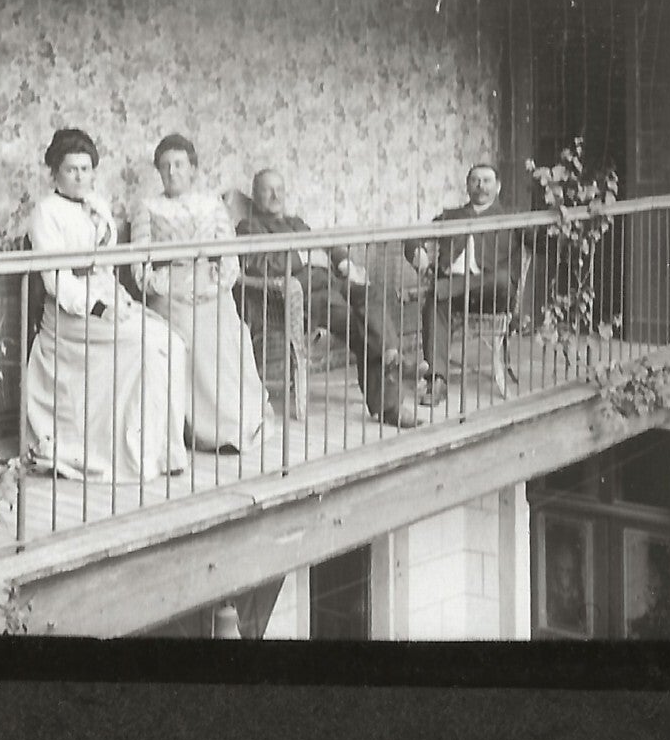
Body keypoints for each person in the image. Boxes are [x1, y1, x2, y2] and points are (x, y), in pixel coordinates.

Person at [24, 128, 189, 483]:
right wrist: (99, 309)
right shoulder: (46, 212)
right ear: (55, 172)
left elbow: (107, 263)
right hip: (71, 313)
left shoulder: (98, 205)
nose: (81, 177)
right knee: (145, 345)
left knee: (171, 343)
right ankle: (127, 455)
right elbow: (57, 281)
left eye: (86, 169)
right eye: (71, 170)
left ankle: (161, 451)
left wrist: (117, 298)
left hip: (107, 297)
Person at [236, 169, 420, 429]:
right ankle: (391, 405)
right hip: (304, 297)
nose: (276, 195)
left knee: (373, 294)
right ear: (255, 196)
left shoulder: (296, 223)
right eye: (268, 189)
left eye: (280, 189)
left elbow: (325, 242)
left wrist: (344, 261)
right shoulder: (248, 228)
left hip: (333, 284)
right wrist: (306, 257)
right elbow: (259, 265)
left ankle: (391, 354)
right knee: (364, 328)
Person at [130, 134, 270, 453]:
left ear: (193, 169)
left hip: (210, 286)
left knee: (229, 332)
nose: (172, 172)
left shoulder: (211, 203)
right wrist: (169, 286)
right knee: (188, 333)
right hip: (170, 291)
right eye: (165, 166)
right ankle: (206, 430)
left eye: (179, 164)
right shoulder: (148, 207)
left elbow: (229, 254)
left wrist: (217, 284)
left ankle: (237, 421)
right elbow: (140, 266)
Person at [403, 162, 524, 406]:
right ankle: (437, 380)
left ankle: (438, 289)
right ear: (467, 186)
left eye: (487, 180)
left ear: (498, 187)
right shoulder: (452, 216)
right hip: (454, 291)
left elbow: (543, 240)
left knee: (501, 277)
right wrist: (418, 252)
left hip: (493, 293)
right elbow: (413, 237)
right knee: (436, 303)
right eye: (475, 180)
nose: (481, 186)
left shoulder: (513, 218)